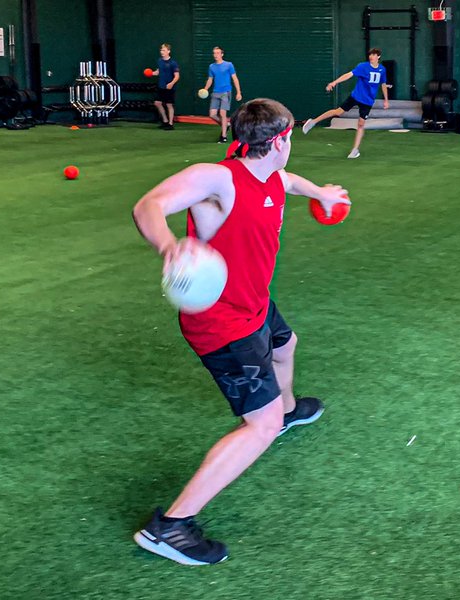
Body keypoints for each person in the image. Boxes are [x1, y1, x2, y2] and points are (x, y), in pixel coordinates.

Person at [130, 98, 350, 566]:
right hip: (221, 322)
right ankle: (171, 527)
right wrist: (170, 247)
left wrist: (322, 193)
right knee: (258, 427)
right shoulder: (218, 179)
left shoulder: (270, 173)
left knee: (285, 344)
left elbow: (288, 182)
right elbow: (148, 205)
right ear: (280, 141)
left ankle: (286, 411)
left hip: (254, 302)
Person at [300, 48, 389, 159]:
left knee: (361, 124)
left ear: (378, 56)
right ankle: (313, 122)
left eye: (374, 55)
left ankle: (355, 150)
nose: (371, 56)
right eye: (370, 54)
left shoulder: (382, 70)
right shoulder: (363, 66)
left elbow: (383, 84)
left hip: (368, 101)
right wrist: (334, 82)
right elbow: (348, 75)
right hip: (356, 96)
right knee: (338, 112)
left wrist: (386, 100)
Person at [202, 46, 243, 143]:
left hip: (226, 92)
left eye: (217, 53)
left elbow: (235, 79)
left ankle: (223, 136)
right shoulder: (211, 66)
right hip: (215, 92)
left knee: (222, 113)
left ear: (222, 54)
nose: (215, 55)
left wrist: (238, 92)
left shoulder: (229, 65)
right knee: (212, 114)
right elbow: (210, 79)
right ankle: (226, 125)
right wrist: (205, 89)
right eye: (214, 53)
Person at [152, 43, 180, 130]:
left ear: (168, 51)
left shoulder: (173, 63)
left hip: (170, 87)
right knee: (157, 103)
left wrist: (171, 83)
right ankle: (165, 121)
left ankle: (170, 124)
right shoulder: (160, 61)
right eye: (161, 50)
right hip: (161, 86)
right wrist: (153, 73)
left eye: (164, 50)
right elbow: (158, 71)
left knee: (169, 105)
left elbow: (177, 76)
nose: (162, 52)